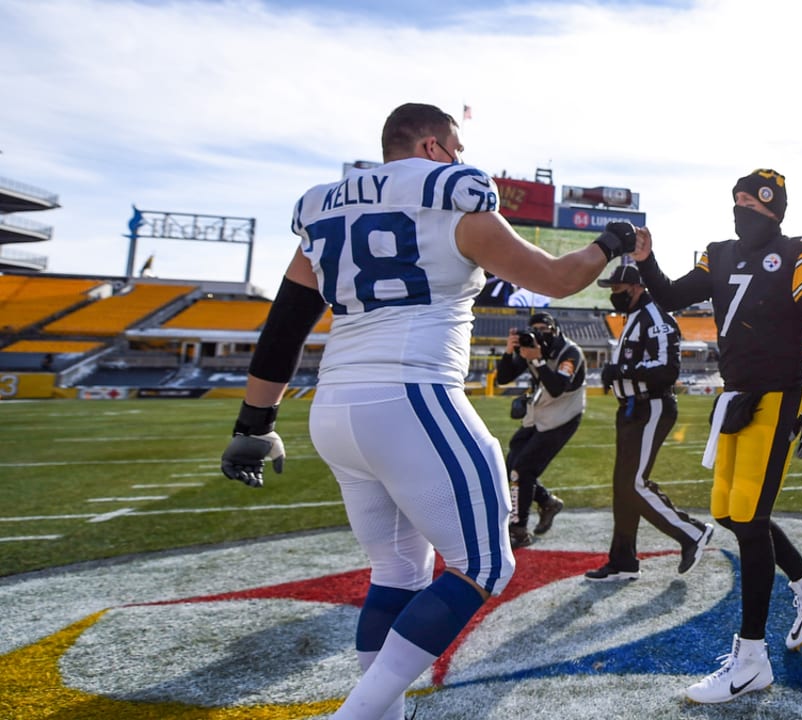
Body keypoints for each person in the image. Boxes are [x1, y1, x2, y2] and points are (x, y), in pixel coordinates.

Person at [218, 102, 636, 720]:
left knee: (397, 567)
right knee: (487, 564)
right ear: (437, 147)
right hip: (412, 395)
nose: (463, 160)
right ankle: (356, 715)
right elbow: (553, 278)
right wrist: (612, 241)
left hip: (334, 407)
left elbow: (284, 328)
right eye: (457, 148)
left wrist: (253, 425)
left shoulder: (324, 207)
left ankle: (383, 712)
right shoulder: (449, 194)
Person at [632, 169, 802, 704]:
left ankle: (751, 660)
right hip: (736, 398)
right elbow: (672, 295)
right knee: (729, 513)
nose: (739, 206)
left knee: (748, 521)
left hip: (776, 398)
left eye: (749, 198)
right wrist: (645, 258)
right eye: (736, 198)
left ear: (773, 205)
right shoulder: (719, 254)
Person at [585, 263, 715, 582]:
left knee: (634, 483)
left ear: (637, 287)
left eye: (618, 288)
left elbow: (666, 370)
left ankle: (691, 534)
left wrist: (623, 372)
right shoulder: (633, 318)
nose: (614, 294)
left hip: (650, 406)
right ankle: (623, 560)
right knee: (623, 487)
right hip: (631, 408)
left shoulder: (657, 318)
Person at [495, 311, 583, 548]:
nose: (540, 335)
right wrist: (509, 351)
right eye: (536, 330)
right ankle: (547, 501)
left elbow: (556, 388)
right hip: (540, 413)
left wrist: (536, 360)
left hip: (564, 415)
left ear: (555, 331)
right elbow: (502, 378)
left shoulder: (570, 353)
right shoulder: (531, 348)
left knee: (522, 470)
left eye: (545, 330)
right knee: (511, 464)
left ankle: (518, 529)